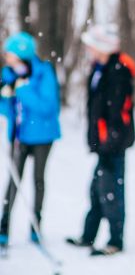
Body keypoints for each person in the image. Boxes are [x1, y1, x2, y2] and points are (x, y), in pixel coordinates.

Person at [66, 24, 135, 256]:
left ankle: (115, 241)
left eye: (91, 45)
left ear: (102, 47)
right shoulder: (100, 68)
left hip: (112, 145)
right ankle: (88, 236)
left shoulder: (117, 71)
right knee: (97, 189)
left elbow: (119, 111)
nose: (88, 49)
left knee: (111, 191)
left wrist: (110, 141)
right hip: (103, 143)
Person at [0, 32, 61, 251]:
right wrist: (4, 98)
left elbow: (48, 107)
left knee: (38, 180)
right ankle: (3, 229)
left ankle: (35, 226)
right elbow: (8, 109)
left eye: (10, 54)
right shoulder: (7, 74)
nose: (6, 58)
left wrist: (22, 90)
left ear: (21, 54)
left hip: (43, 137)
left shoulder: (43, 72)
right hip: (19, 136)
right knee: (13, 181)